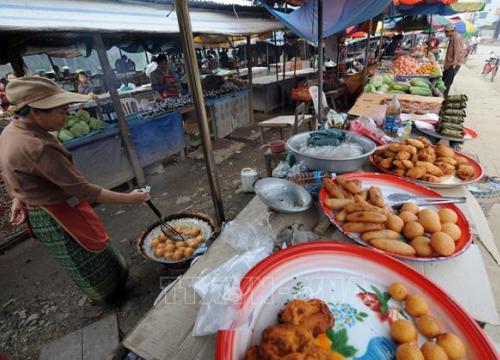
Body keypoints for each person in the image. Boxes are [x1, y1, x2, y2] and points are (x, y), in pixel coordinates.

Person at [0, 77, 150, 306]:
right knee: (84, 259)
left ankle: (116, 284)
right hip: (57, 215)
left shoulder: (12, 131)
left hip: (45, 209)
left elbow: (15, 172)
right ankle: (112, 298)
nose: (66, 115)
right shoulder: (38, 147)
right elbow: (84, 191)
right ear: (36, 112)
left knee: (94, 252)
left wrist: (19, 197)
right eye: (61, 110)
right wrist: (131, 198)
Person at [443, 23, 465, 97]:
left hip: (453, 64)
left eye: (446, 32)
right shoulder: (452, 38)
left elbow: (457, 52)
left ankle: (443, 100)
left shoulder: (457, 38)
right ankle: (442, 98)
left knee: (446, 84)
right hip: (449, 64)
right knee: (444, 82)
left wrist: (453, 65)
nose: (445, 33)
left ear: (450, 31)